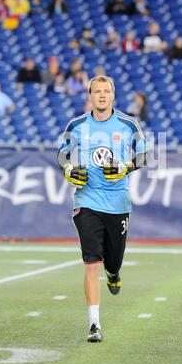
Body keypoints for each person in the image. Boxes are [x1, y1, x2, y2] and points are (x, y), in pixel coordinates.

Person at [57, 75, 148, 342]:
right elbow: (61, 153)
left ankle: (114, 272)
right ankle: (94, 324)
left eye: (106, 91)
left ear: (113, 95)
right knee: (90, 264)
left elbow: (147, 154)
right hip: (87, 201)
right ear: (89, 95)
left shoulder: (128, 124)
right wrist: (68, 169)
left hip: (118, 202)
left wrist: (125, 167)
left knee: (113, 259)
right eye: (97, 91)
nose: (102, 95)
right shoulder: (76, 125)